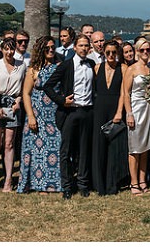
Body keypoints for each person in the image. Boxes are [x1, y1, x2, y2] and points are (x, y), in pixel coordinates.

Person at [43, 34, 96, 198]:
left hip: (87, 112)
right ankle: (66, 186)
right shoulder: (65, 66)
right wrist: (61, 100)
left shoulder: (92, 64)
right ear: (75, 47)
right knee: (65, 151)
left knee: (84, 150)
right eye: (81, 45)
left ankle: (82, 184)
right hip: (70, 112)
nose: (84, 48)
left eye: (86, 46)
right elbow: (48, 86)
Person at [17, 36, 62, 194]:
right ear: (40, 50)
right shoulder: (33, 69)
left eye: (52, 47)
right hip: (38, 115)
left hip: (55, 115)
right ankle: (38, 184)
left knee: (55, 149)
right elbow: (26, 93)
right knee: (37, 151)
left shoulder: (60, 66)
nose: (50, 50)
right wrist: (30, 116)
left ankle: (55, 184)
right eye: (47, 48)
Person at [0, 38, 26, 192]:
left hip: (13, 105)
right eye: (6, 49)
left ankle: (8, 181)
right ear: (2, 50)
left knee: (9, 145)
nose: (9, 52)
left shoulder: (22, 65)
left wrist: (18, 101)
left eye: (11, 49)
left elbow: (23, 87)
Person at [92, 40, 127, 196]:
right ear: (103, 53)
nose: (111, 55)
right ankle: (100, 185)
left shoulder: (123, 68)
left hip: (115, 108)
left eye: (114, 52)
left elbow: (123, 93)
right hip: (99, 108)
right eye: (108, 53)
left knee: (114, 148)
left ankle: (112, 185)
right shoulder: (97, 68)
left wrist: (119, 112)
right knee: (99, 146)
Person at [124, 38, 150, 195]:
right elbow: (125, 93)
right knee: (135, 148)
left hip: (149, 109)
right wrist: (129, 113)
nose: (146, 53)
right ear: (137, 51)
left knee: (145, 147)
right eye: (142, 50)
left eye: (148, 50)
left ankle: (143, 180)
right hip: (136, 109)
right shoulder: (131, 69)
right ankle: (133, 182)